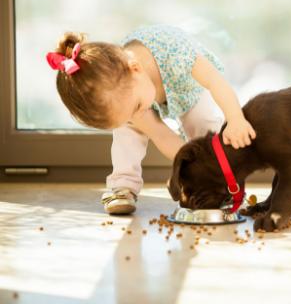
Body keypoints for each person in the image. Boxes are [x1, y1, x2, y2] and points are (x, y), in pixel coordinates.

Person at [46, 24, 256, 215]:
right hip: (141, 91)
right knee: (127, 133)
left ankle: (222, 185)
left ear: (136, 69)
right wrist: (186, 168)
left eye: (135, 108)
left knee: (204, 125)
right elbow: (161, 135)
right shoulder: (127, 94)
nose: (136, 116)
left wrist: (235, 117)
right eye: (127, 114)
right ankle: (123, 186)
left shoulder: (178, 55)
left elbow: (215, 81)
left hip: (188, 87)